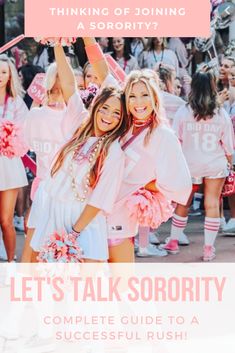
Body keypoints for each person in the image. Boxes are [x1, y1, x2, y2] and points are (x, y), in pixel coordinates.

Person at [83, 38, 192, 262]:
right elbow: (101, 68)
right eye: (132, 95)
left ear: (154, 98)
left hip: (119, 217)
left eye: (144, 95)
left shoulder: (163, 136)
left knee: (120, 283)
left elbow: (181, 185)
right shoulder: (122, 121)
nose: (138, 102)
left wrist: (146, 187)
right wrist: (86, 34)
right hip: (91, 210)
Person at [162, 70, 234, 261]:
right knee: (211, 203)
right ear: (213, 87)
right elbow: (228, 145)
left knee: (183, 202)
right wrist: (230, 164)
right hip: (214, 164)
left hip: (189, 164)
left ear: (192, 87)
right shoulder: (221, 113)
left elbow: (175, 139)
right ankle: (208, 248)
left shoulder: (184, 111)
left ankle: (173, 241)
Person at [0, 54, 28, 262]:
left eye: (3, 72)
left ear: (10, 76)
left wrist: (10, 137)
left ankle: (10, 262)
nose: (0, 76)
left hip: (8, 164)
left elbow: (25, 132)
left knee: (5, 220)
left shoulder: (17, 102)